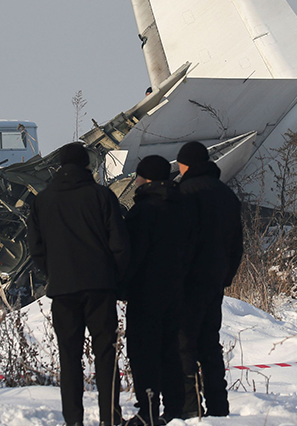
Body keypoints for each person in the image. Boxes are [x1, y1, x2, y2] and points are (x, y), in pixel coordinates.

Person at [27, 142, 130, 426]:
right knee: (106, 353)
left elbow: (35, 248)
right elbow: (119, 245)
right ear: (86, 164)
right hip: (99, 288)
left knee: (69, 358)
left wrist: (54, 272)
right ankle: (110, 418)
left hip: (62, 290)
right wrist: (116, 280)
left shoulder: (43, 200)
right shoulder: (102, 196)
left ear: (60, 165)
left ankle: (73, 420)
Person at [174, 141, 243, 418]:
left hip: (188, 282)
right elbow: (236, 244)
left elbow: (179, 242)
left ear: (185, 164)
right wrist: (225, 276)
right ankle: (219, 406)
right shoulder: (227, 196)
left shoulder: (183, 194)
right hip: (214, 282)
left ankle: (190, 408)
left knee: (184, 344)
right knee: (210, 345)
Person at [122, 155, 191, 425]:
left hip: (146, 292)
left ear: (146, 178)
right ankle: (176, 408)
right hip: (177, 289)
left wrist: (123, 284)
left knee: (144, 351)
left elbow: (134, 253)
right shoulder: (183, 207)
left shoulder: (143, 211)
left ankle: (148, 409)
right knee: (170, 350)